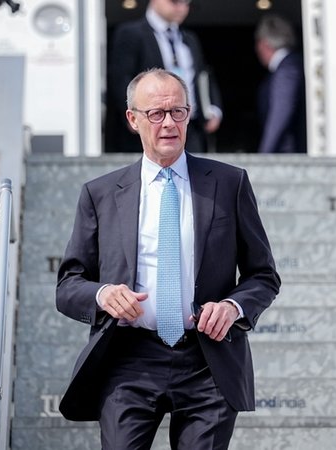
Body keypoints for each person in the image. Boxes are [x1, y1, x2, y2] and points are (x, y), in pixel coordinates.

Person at [56, 69, 280, 449]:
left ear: (189, 114)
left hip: (208, 360)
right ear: (133, 119)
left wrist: (232, 307)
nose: (169, 124)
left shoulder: (229, 183)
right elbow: (68, 285)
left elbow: (263, 275)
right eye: (156, 114)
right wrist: (104, 294)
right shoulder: (100, 194)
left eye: (177, 112)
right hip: (128, 359)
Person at [107, 0, 222, 153]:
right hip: (150, 125)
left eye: (186, 3)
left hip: (189, 126)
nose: (182, 8)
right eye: (175, 2)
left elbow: (202, 77)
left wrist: (212, 109)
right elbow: (121, 78)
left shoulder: (189, 39)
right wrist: (133, 115)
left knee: (193, 173)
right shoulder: (131, 33)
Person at [255, 14, 308, 154]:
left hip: (288, 156)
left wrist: (264, 156)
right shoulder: (293, 65)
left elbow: (280, 115)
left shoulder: (287, 70)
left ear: (263, 44)